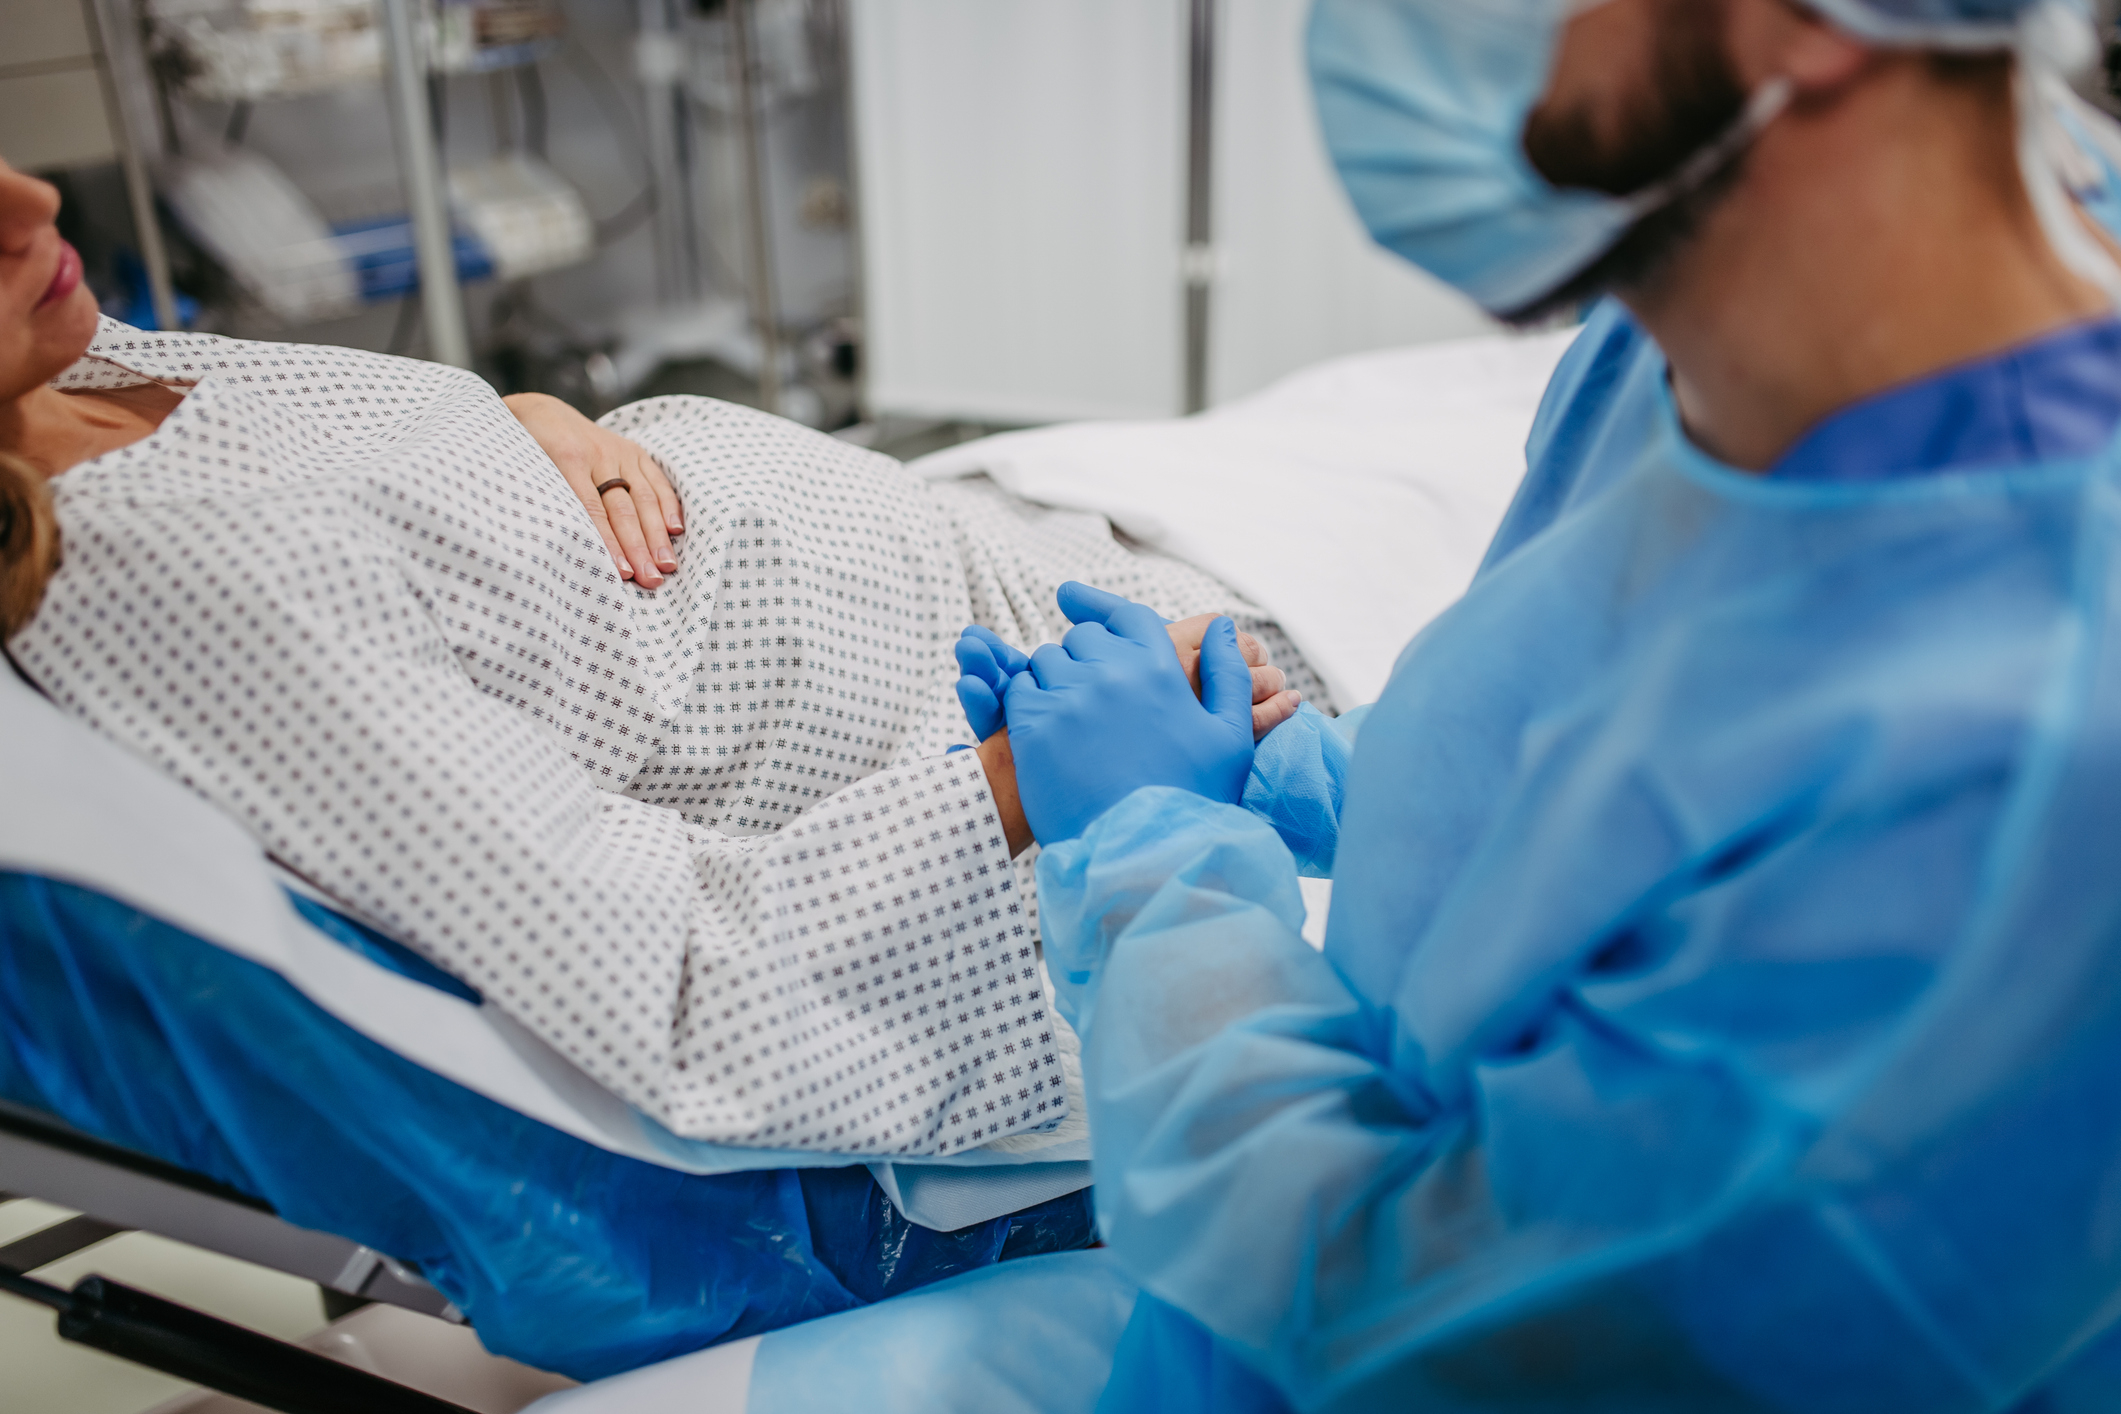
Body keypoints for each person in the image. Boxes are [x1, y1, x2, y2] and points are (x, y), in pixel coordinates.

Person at [860, 0, 2121, 1409]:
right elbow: (1595, 758)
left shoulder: (2025, 771)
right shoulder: (1685, 318)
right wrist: (1290, 772)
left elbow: (1424, 1326)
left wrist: (1148, 849)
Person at [0, 152, 1309, 1372]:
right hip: (1001, 689)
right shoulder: (155, 576)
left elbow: (390, 527)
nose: (35, 200)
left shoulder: (81, 367)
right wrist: (1029, 774)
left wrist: (515, 418)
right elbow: (658, 965)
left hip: (974, 567)